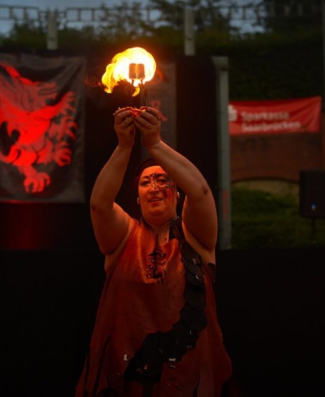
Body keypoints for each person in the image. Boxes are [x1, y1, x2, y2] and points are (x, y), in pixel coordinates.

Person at [75, 105, 233, 397]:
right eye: (146, 182)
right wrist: (125, 145)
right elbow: (99, 204)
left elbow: (200, 191)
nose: (155, 187)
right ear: (137, 198)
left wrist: (155, 144)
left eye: (163, 180)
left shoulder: (195, 236)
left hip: (190, 378)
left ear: (177, 192)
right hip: (128, 374)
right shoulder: (123, 236)